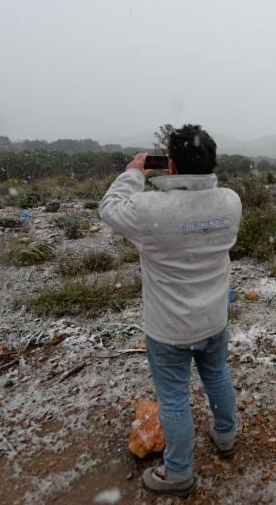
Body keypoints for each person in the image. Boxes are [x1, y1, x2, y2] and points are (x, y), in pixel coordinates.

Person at [99, 124, 242, 497]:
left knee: (175, 399)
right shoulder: (231, 201)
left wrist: (133, 173)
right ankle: (226, 435)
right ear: (212, 163)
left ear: (171, 166)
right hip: (213, 319)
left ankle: (178, 473)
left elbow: (109, 209)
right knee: (218, 376)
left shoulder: (150, 209)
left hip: (169, 330)